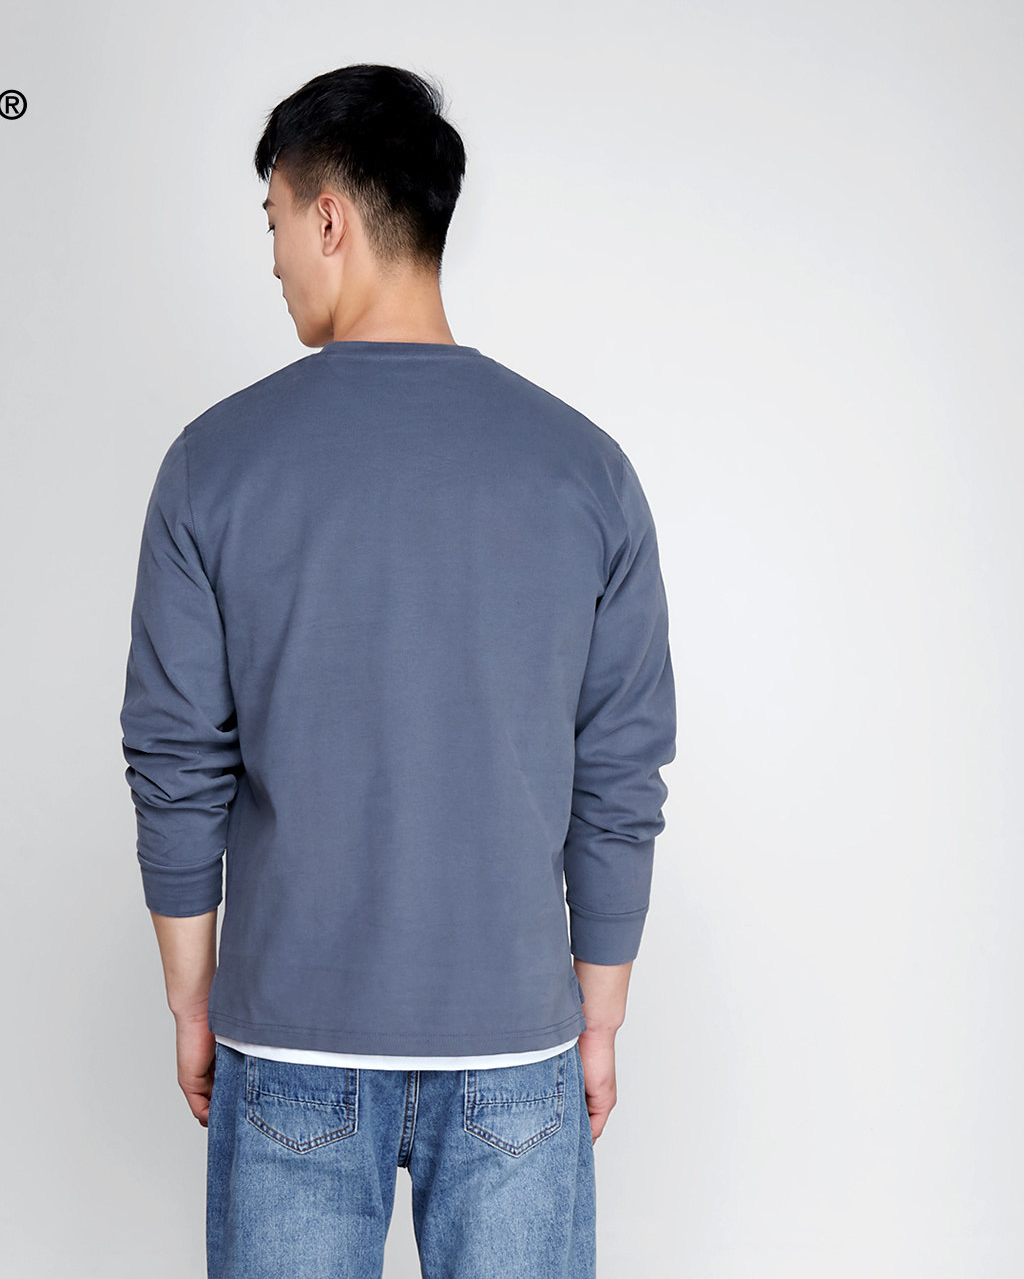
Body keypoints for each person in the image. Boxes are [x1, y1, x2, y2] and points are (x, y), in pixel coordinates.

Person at [119, 62, 676, 1279]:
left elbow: (175, 762)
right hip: (516, 1047)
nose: (273, 260)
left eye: (273, 220)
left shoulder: (213, 463)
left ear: (328, 217)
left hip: (289, 1045)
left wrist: (192, 1000)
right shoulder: (584, 469)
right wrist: (598, 1014)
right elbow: (618, 769)